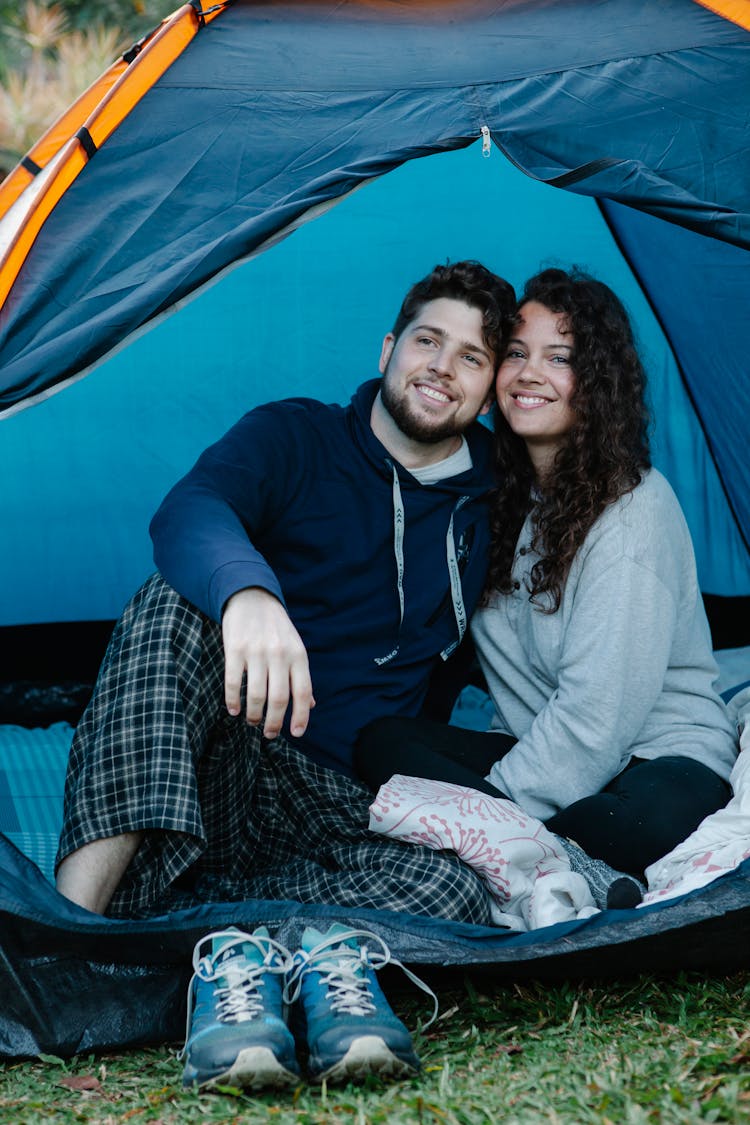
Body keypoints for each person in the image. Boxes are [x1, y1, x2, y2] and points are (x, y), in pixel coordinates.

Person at [53, 260, 517, 1087]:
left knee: (457, 888)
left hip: (347, 808)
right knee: (171, 603)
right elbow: (192, 508)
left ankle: (237, 949)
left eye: (472, 356)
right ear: (389, 347)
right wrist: (250, 596)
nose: (442, 366)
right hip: (237, 757)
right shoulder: (296, 436)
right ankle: (66, 943)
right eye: (427, 340)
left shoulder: (498, 499)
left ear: (488, 388)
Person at [356, 268, 737, 899]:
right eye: (515, 354)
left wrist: (489, 811)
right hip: (538, 752)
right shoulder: (488, 496)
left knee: (625, 824)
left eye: (559, 358)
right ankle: (538, 864)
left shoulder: (633, 507)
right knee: (382, 743)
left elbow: (598, 720)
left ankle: (516, 859)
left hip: (660, 758)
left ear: (597, 383)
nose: (530, 374)